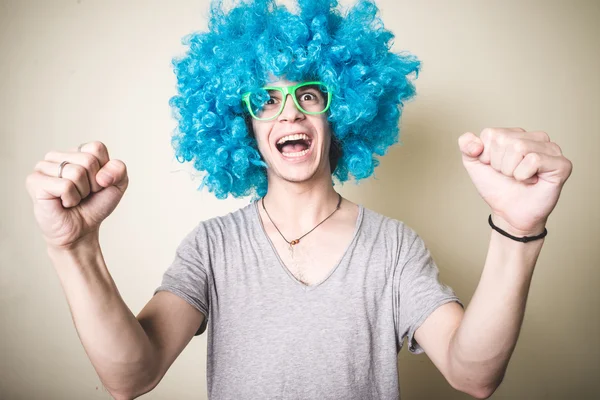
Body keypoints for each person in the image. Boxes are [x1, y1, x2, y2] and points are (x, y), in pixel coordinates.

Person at [25, 0, 573, 399]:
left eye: (308, 94)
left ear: (340, 116)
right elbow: (131, 375)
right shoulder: (213, 247)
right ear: (242, 128)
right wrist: (75, 249)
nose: (289, 112)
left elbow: (472, 373)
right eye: (266, 99)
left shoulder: (394, 248)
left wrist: (515, 229)